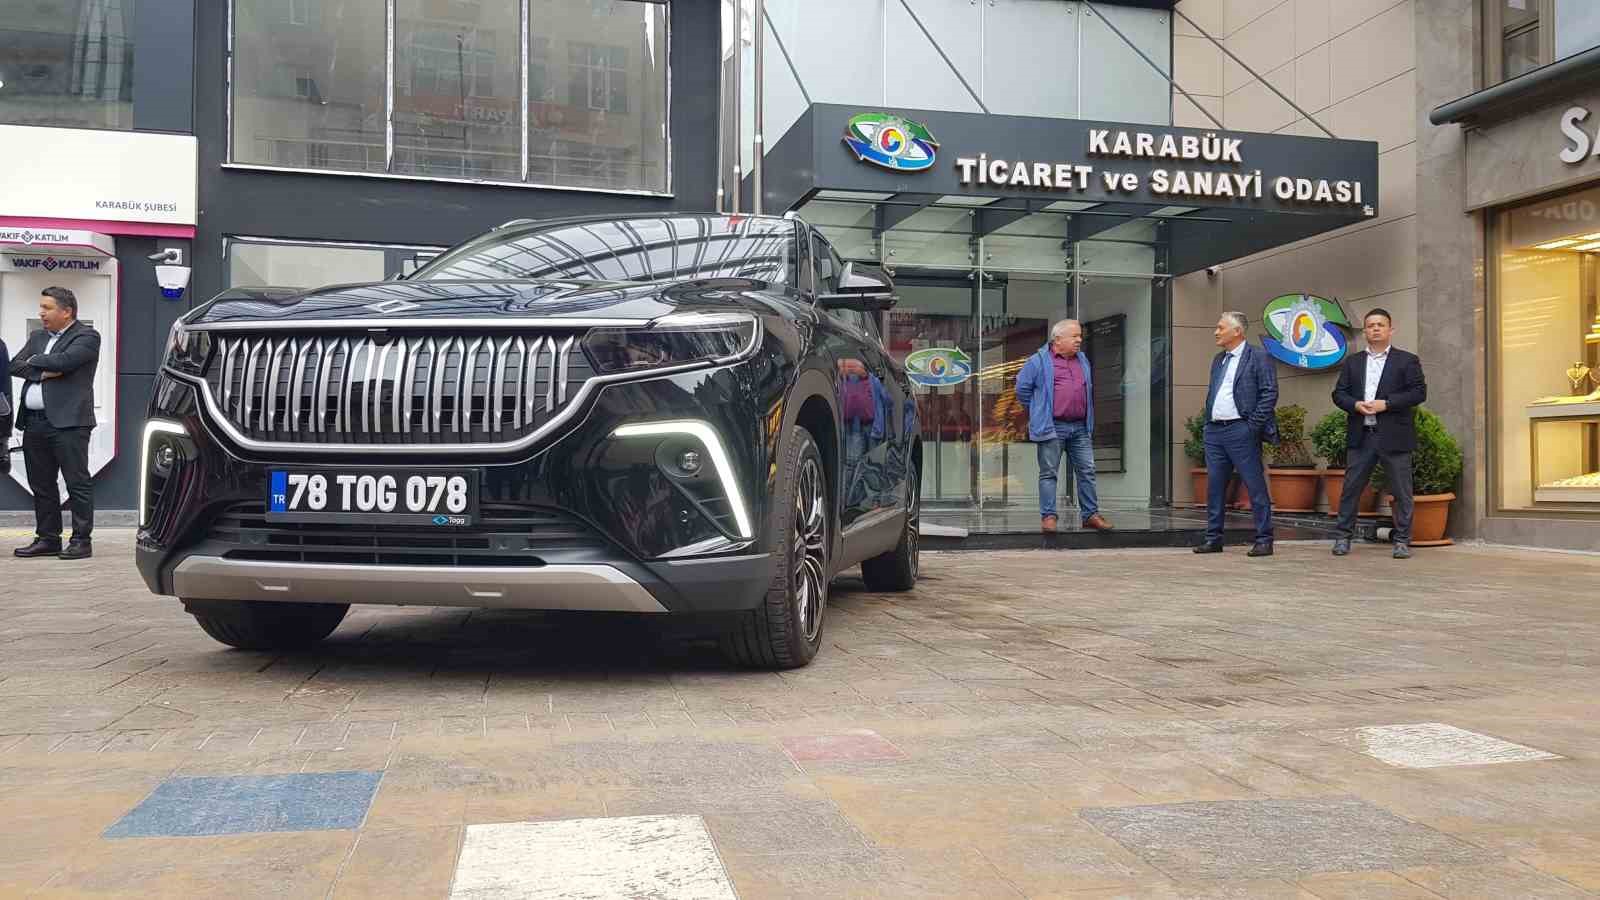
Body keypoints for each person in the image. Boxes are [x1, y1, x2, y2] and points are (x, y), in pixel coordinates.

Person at [8, 287, 101, 560]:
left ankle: (81, 541)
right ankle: (48, 538)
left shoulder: (87, 336)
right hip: (34, 422)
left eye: (47, 308)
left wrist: (35, 363)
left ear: (66, 311)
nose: (41, 313)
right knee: (42, 484)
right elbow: (14, 365)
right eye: (41, 307)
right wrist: (46, 369)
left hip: (69, 422)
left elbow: (68, 361)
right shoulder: (37, 336)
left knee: (77, 483)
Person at [1330, 308, 1428, 559]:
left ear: (1390, 330)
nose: (1375, 329)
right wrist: (1355, 405)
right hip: (1362, 435)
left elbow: (1418, 392)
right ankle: (1343, 538)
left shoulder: (1406, 360)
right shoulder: (1353, 362)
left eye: (1380, 325)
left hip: (1394, 435)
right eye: (1370, 325)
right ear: (1364, 332)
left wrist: (1388, 403)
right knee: (1351, 489)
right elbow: (1338, 394)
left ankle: (1403, 540)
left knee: (1401, 490)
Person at [1016, 319, 1112, 533]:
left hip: (1079, 427)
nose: (1079, 340)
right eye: (1075, 336)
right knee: (1049, 473)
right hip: (1052, 427)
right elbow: (1022, 389)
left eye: (1080, 336)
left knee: (1087, 471)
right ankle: (1048, 517)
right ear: (1058, 340)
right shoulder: (1038, 361)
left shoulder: (1083, 360)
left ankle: (1090, 515)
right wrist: (1038, 410)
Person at [1194, 311, 1278, 556]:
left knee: (1254, 485)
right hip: (1215, 431)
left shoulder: (1259, 357)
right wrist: (1207, 424)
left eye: (1221, 327)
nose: (1216, 332)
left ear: (1237, 331)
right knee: (1215, 486)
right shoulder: (1218, 360)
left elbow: (1269, 393)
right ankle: (1214, 539)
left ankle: (1264, 539)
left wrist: (1251, 427)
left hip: (1241, 429)